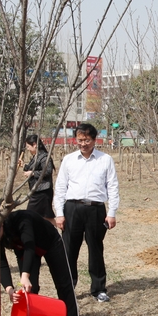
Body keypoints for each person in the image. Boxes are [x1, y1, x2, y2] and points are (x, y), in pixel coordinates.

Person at [0, 210, 80, 316]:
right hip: (23, 251)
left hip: (49, 242)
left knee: (63, 282)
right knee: (29, 288)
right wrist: (9, 289)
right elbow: (0, 264)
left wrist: (25, 276)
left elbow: (30, 246)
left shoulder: (21, 220)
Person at [54, 123, 120, 302]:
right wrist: (59, 213)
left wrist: (112, 212)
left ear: (94, 140)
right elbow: (60, 187)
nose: (83, 144)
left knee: (96, 249)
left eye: (87, 140)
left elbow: (112, 187)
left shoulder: (105, 160)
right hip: (72, 209)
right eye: (80, 140)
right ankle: (68, 288)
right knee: (69, 251)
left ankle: (98, 288)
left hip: (96, 209)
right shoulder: (68, 160)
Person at [22, 134, 55, 221]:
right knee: (43, 217)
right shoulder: (36, 156)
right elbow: (31, 168)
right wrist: (23, 165)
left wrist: (32, 173)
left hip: (43, 191)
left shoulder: (44, 156)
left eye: (28, 146)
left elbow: (47, 171)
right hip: (37, 190)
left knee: (43, 216)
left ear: (34, 145)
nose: (28, 149)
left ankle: (61, 229)